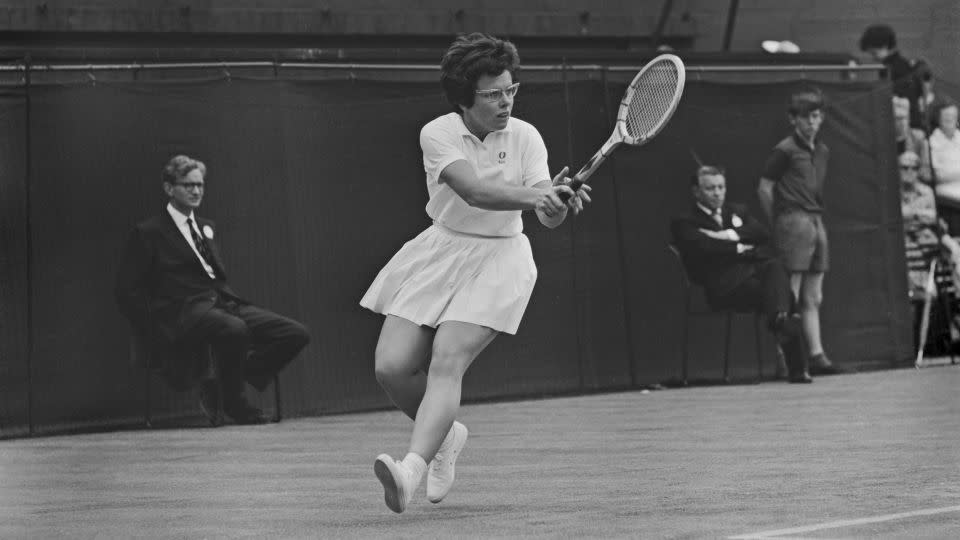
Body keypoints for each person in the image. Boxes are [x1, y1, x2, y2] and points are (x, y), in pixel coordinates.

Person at [359, 32, 591, 514]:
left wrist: (556, 203)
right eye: (493, 94)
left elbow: (546, 215)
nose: (505, 102)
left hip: (501, 259)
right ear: (465, 96)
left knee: (447, 360)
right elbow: (474, 191)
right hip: (440, 251)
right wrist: (537, 196)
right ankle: (446, 436)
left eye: (511, 90)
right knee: (391, 367)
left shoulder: (526, 136)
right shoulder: (437, 133)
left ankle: (410, 471)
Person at [115, 154, 311, 425]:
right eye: (188, 185)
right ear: (169, 188)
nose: (196, 191)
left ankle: (225, 382)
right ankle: (235, 403)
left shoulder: (207, 227)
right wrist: (155, 326)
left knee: (295, 333)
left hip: (222, 302)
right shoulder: (149, 232)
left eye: (200, 185)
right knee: (234, 329)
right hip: (183, 311)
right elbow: (126, 291)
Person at [671, 165, 808, 382]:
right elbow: (704, 247)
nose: (717, 193)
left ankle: (780, 320)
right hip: (724, 288)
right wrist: (740, 247)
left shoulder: (737, 211)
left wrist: (728, 235)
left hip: (752, 281)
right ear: (696, 191)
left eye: (720, 187)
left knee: (774, 269)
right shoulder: (684, 222)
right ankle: (794, 358)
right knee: (782, 292)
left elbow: (761, 233)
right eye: (710, 189)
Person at [757, 87, 843, 377]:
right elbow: (765, 188)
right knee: (789, 295)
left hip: (816, 223)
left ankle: (816, 355)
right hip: (793, 222)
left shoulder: (822, 150)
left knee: (813, 296)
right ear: (793, 120)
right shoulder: (784, 150)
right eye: (806, 117)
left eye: (817, 116)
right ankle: (788, 360)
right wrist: (779, 221)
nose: (812, 123)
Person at [859, 24, 923, 129]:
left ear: (884, 46)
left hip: (906, 123)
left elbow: (906, 99)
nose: (874, 58)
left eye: (874, 53)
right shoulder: (898, 65)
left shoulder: (895, 68)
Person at [928, 101, 960, 203]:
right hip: (946, 190)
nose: (950, 119)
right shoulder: (932, 142)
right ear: (938, 119)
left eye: (953, 116)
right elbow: (938, 176)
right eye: (946, 116)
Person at [893, 96, 931, 183]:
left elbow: (927, 173)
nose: (901, 122)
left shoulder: (919, 138)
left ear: (909, 118)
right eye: (897, 118)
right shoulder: (884, 139)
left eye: (904, 118)